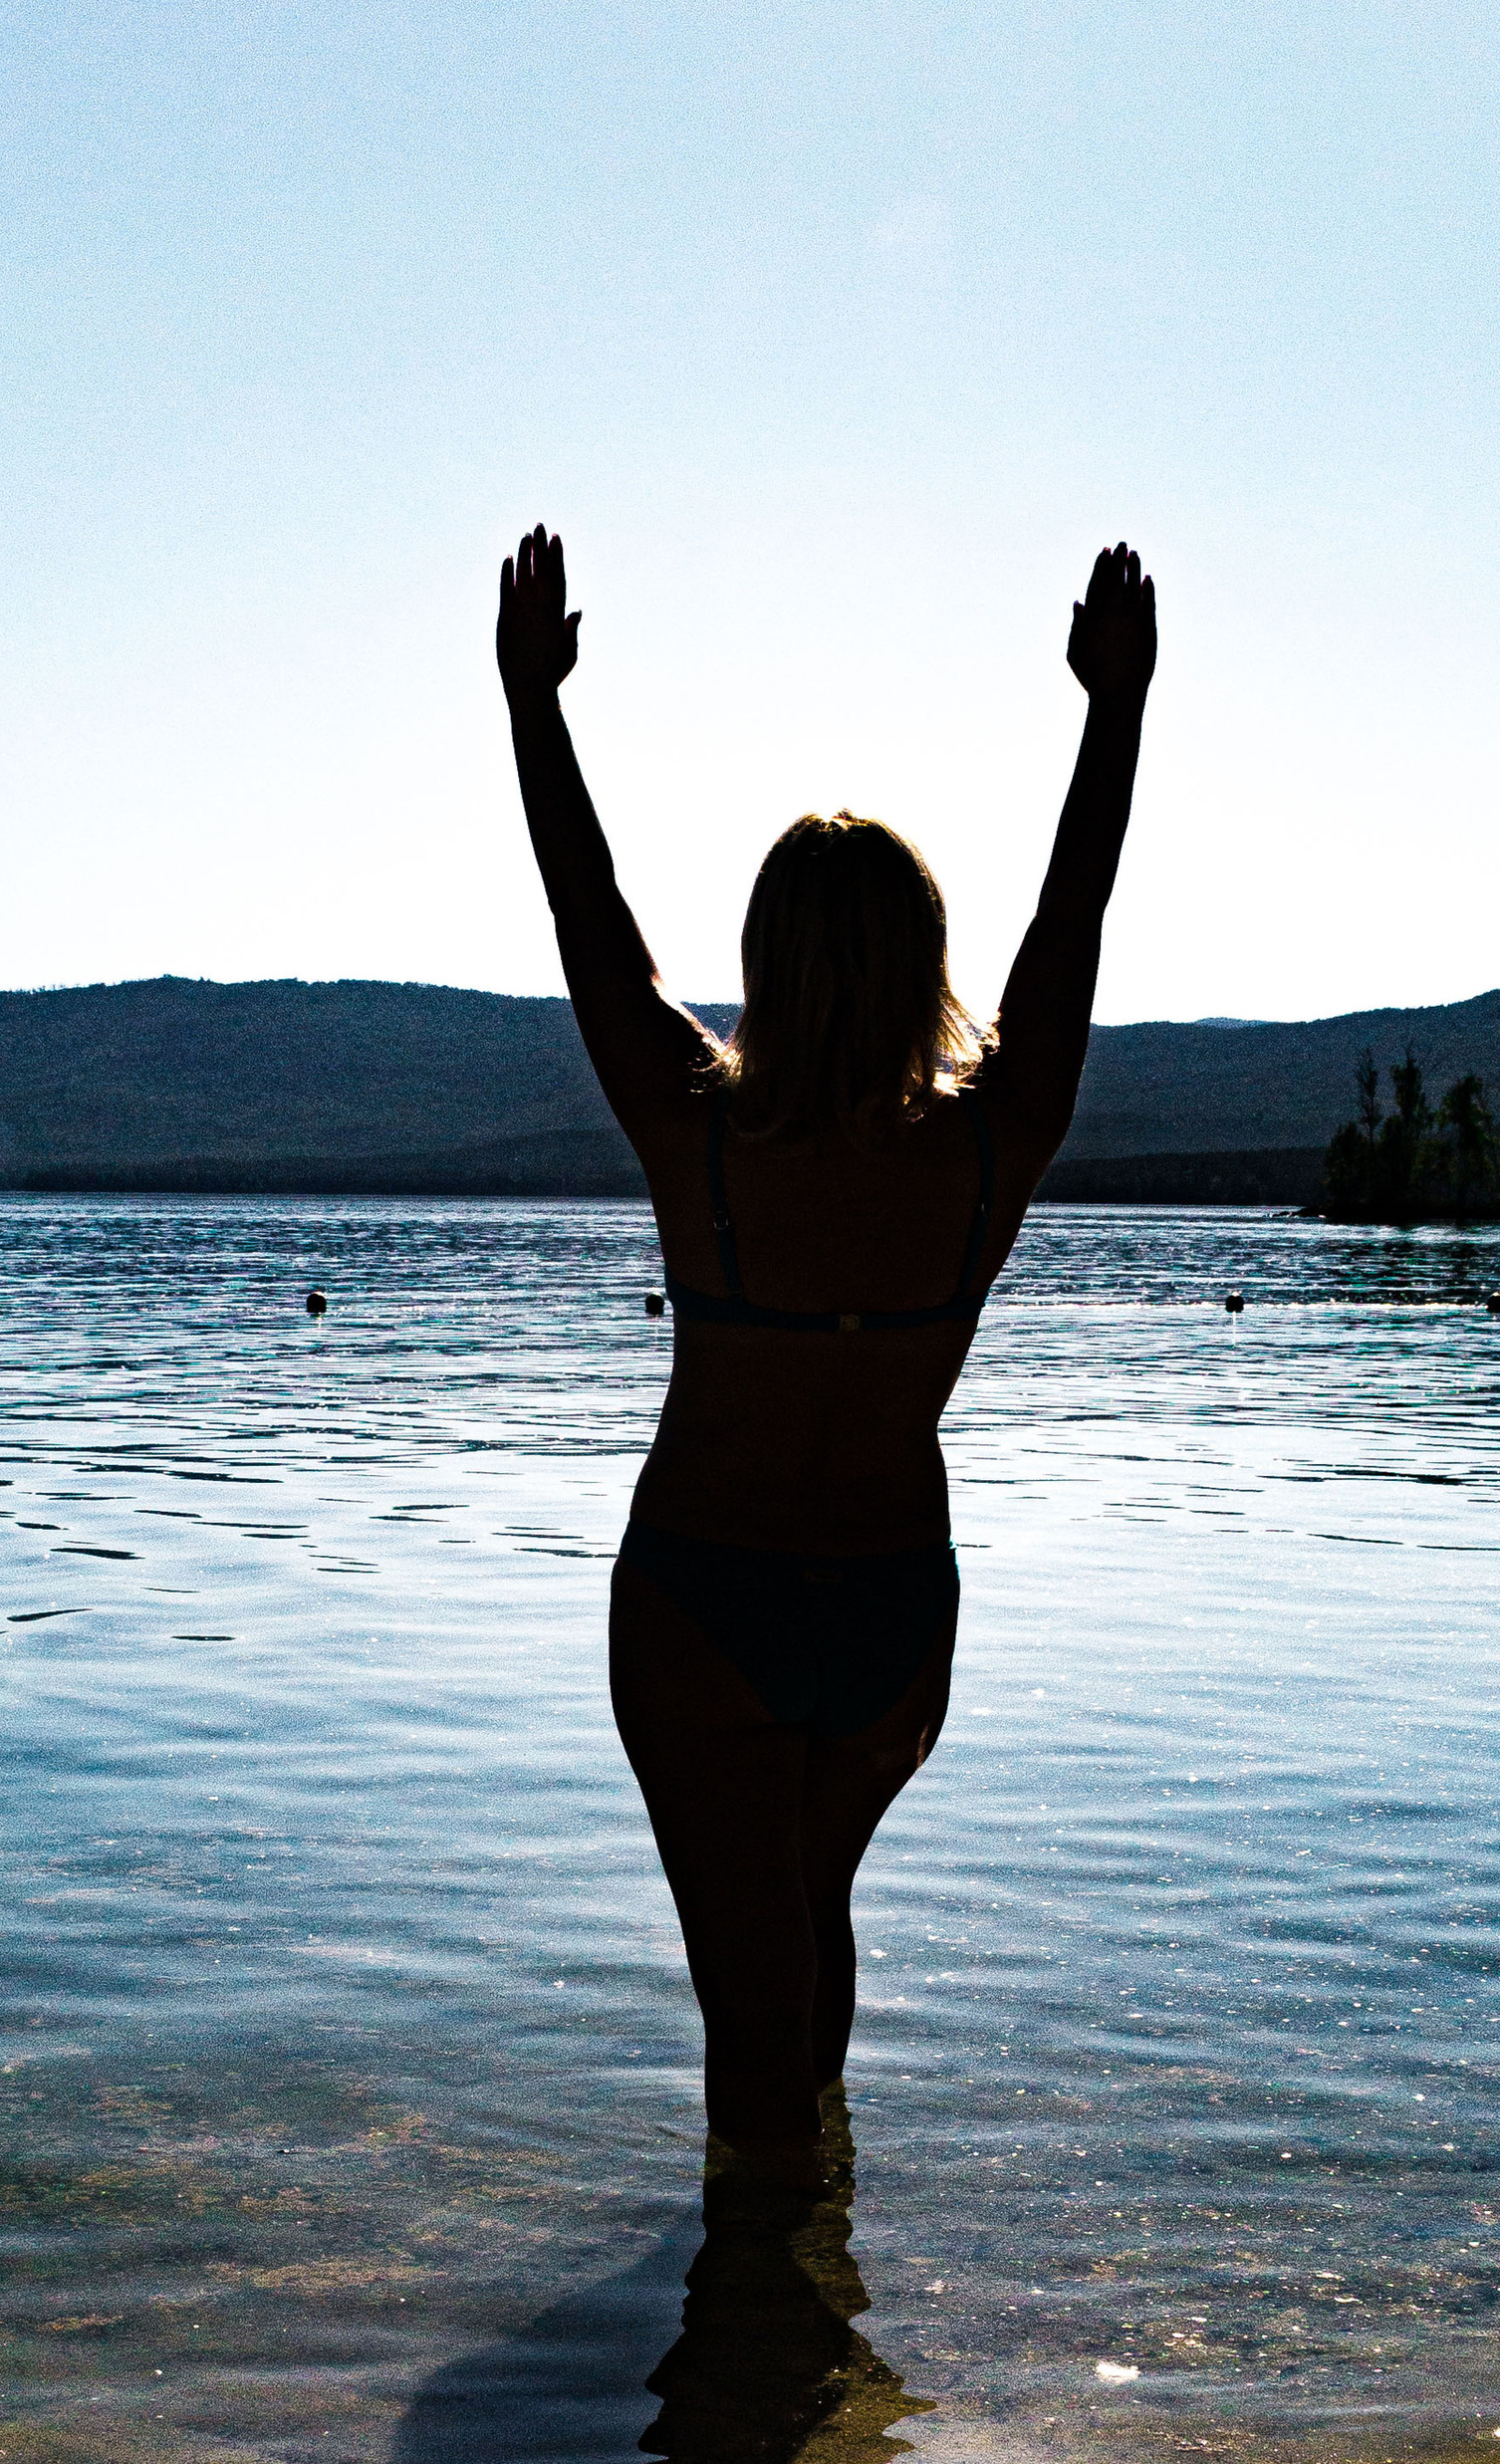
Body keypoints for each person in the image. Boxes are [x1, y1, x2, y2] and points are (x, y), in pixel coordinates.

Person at [497, 520, 1155, 2193]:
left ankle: (761, 2366)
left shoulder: (698, 1128)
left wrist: (533, 708)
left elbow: (596, 926)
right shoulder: (994, 1144)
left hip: (707, 1590)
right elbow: (1071, 928)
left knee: (752, 1982)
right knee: (810, 1921)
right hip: (884, 1601)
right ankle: (820, 2312)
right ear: (930, 958)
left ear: (768, 963)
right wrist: (1114, 713)